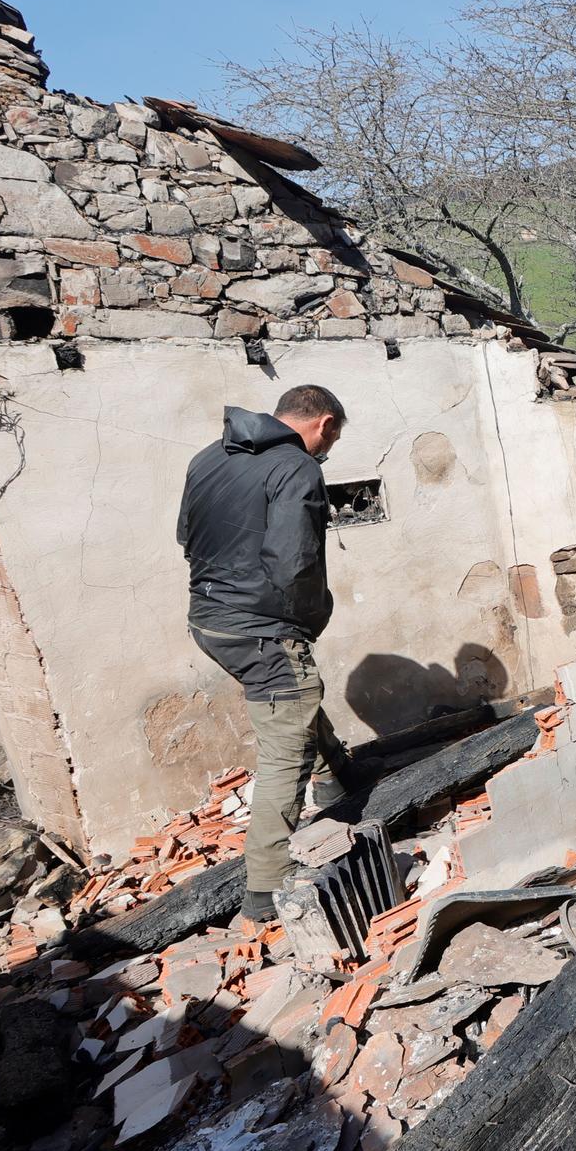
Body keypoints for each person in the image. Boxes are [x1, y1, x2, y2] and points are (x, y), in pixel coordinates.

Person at [177, 384, 355, 923]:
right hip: (262, 627)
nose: (327, 451)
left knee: (294, 698)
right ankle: (264, 889)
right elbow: (294, 561)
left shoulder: (209, 456)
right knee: (285, 743)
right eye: (333, 439)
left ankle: (335, 781)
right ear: (323, 424)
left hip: (208, 621)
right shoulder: (298, 468)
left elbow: (186, 535)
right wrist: (309, 618)